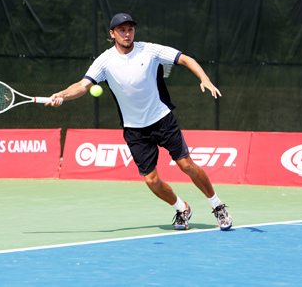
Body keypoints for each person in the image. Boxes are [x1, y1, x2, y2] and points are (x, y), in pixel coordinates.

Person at [46, 13, 233, 231]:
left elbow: (184, 58)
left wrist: (205, 78)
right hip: (134, 130)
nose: (127, 33)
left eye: (130, 29)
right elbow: (82, 85)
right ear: (112, 33)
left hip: (162, 119)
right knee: (151, 181)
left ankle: (217, 205)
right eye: (122, 30)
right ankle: (182, 208)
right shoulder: (105, 61)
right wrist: (61, 95)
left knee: (186, 164)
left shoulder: (150, 50)